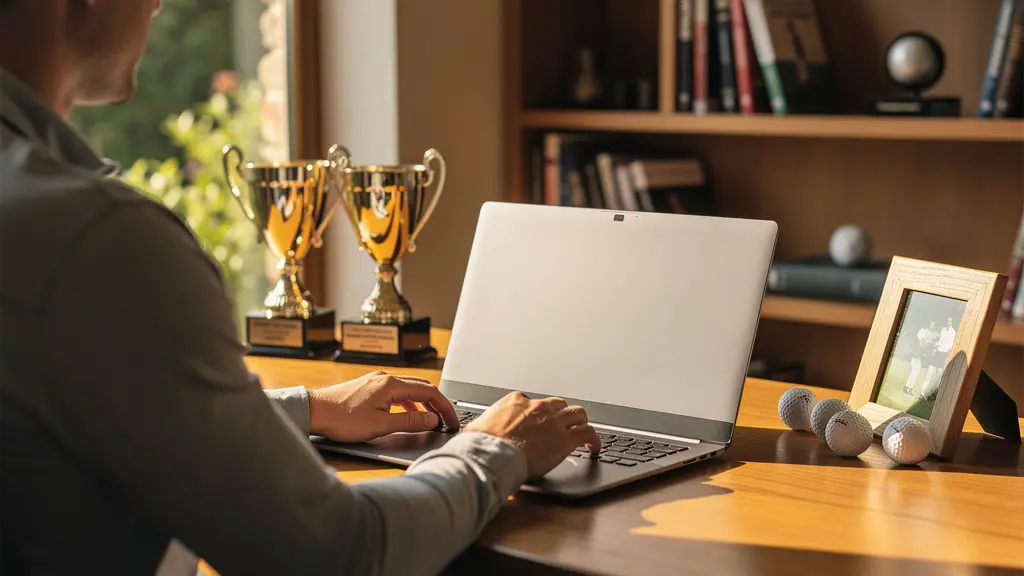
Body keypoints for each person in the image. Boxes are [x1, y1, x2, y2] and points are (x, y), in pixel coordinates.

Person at [0, 1, 601, 575]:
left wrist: (305, 410)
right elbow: (337, 554)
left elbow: (89, 411)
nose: (157, 6)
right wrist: (496, 449)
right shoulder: (96, 239)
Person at [921, 316, 957, 400]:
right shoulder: (943, 329)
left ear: (952, 322)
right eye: (948, 321)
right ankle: (922, 393)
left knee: (937, 377)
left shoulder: (953, 332)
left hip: (944, 355)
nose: (949, 322)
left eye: (950, 321)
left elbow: (950, 346)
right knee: (929, 373)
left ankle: (930, 394)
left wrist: (947, 356)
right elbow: (940, 340)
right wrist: (936, 345)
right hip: (938, 353)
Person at [903, 320, 937, 397]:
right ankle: (908, 388)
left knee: (914, 372)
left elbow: (926, 344)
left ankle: (908, 387)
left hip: (919, 356)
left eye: (933, 325)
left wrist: (930, 341)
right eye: (931, 324)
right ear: (928, 325)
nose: (932, 326)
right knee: (915, 372)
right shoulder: (922, 331)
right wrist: (928, 341)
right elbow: (921, 343)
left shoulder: (928, 334)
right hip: (916, 356)